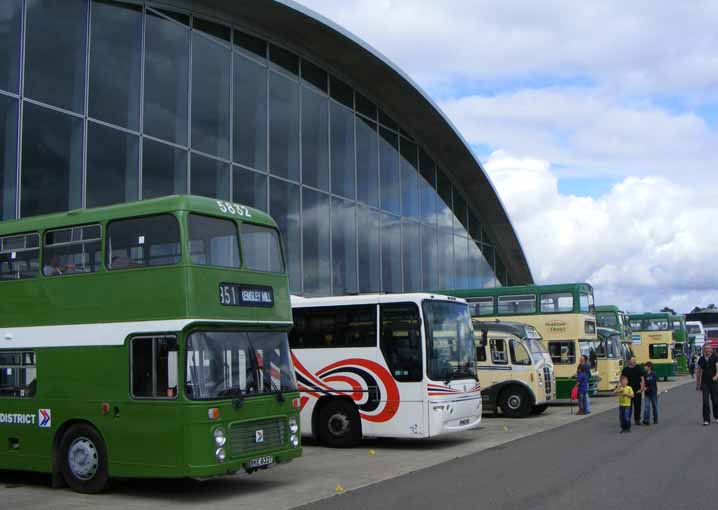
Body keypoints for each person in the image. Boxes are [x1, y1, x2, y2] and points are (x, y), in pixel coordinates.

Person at [695, 344, 718, 426]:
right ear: (703, 350)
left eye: (708, 348)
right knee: (705, 401)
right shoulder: (701, 359)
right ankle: (706, 419)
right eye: (705, 349)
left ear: (711, 350)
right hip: (705, 383)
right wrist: (698, 384)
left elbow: (717, 367)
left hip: (714, 382)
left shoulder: (715, 357)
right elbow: (698, 372)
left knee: (715, 401)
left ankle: (716, 416)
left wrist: (716, 375)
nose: (707, 350)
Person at [621, 357, 645, 426]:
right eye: (632, 360)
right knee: (628, 407)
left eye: (635, 360)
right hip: (628, 391)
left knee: (638, 406)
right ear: (629, 361)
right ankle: (627, 420)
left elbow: (642, 379)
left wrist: (641, 389)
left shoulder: (638, 369)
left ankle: (637, 420)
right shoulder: (625, 370)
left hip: (637, 391)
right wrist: (621, 388)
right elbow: (622, 379)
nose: (634, 361)